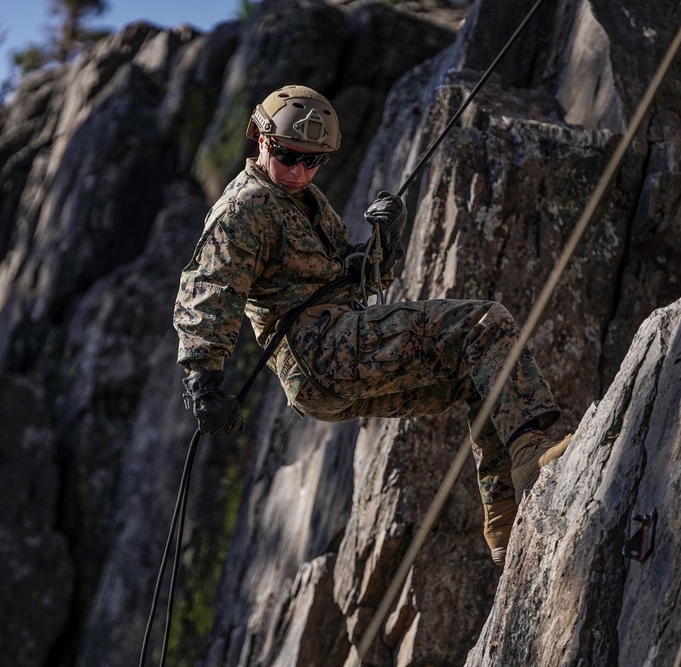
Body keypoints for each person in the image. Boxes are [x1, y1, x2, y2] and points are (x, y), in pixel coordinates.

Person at [173, 84, 570, 566]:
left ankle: (505, 517)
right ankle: (534, 453)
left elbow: (355, 279)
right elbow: (208, 287)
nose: (299, 170)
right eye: (287, 154)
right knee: (483, 324)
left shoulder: (304, 200)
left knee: (473, 373)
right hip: (322, 350)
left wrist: (387, 237)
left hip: (328, 367)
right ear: (260, 137)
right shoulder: (245, 207)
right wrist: (202, 379)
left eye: (312, 160)